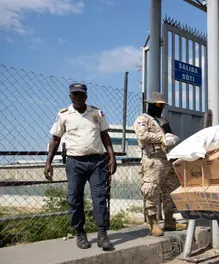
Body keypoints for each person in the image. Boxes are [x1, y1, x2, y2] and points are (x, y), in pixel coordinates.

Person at [44, 83, 116, 251]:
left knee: (100, 197)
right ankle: (80, 233)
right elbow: (55, 140)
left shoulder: (96, 113)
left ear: (86, 97)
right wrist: (48, 162)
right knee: (74, 198)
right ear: (70, 97)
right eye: (74, 95)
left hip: (97, 162)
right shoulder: (63, 115)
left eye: (80, 95)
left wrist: (111, 156)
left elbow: (105, 135)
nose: (77, 98)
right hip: (74, 162)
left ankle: (102, 234)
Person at [133, 92, 186, 237]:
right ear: (152, 104)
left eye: (162, 105)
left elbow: (170, 137)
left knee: (170, 190)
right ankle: (153, 223)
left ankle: (169, 220)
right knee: (151, 190)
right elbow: (142, 135)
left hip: (167, 159)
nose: (161, 108)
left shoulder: (163, 120)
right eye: (159, 105)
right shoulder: (143, 119)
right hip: (153, 160)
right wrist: (162, 138)